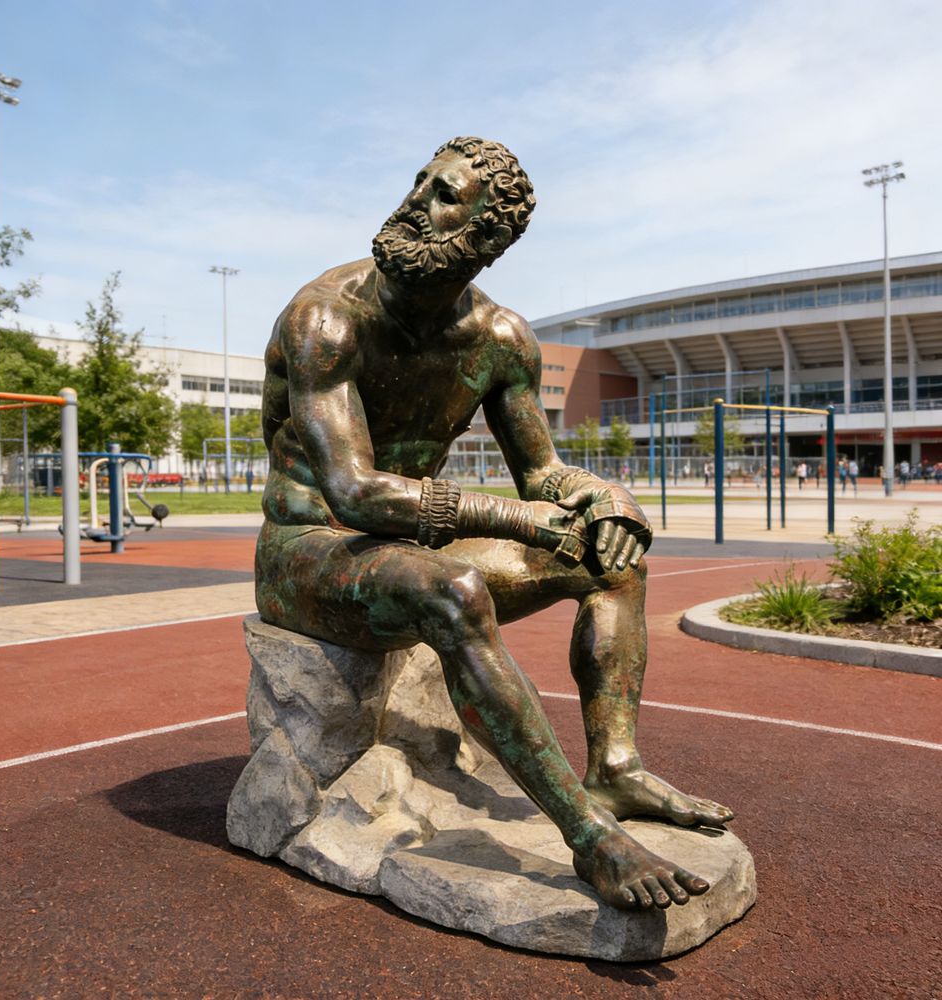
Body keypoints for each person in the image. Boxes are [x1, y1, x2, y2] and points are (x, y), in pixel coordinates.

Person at [255, 137, 730, 913]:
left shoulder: (501, 338)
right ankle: (590, 837)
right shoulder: (328, 318)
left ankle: (615, 770)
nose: (415, 199)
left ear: (486, 236)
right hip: (309, 552)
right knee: (454, 591)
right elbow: (355, 493)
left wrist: (607, 498)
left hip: (407, 547)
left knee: (612, 563)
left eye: (443, 194)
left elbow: (542, 473)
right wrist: (521, 520)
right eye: (419, 181)